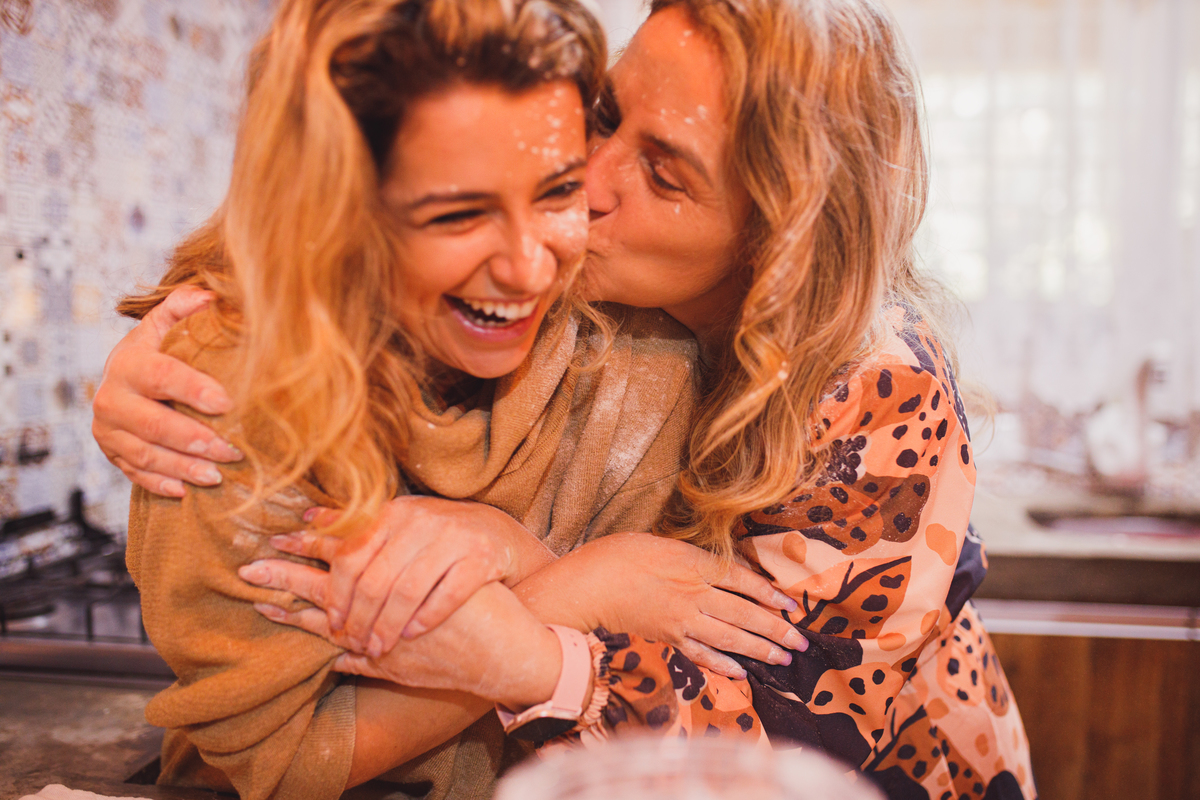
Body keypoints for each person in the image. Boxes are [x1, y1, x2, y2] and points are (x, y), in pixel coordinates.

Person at [95, 0, 1038, 798]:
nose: (585, 185)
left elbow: (787, 747)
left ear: (780, 236)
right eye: (604, 114)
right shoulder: (596, 292)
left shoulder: (875, 390)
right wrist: (189, 341)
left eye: (662, 172)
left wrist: (541, 608)